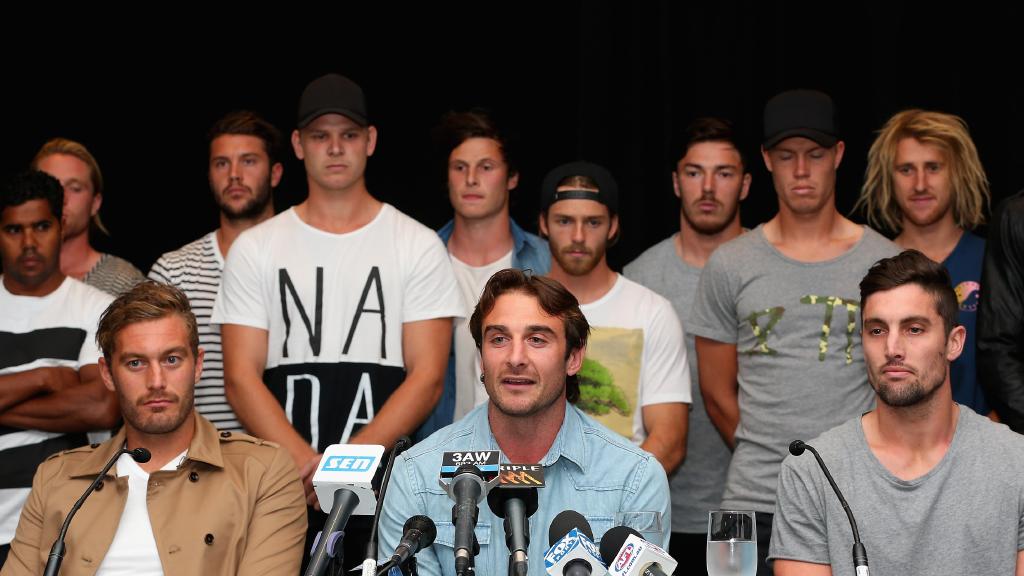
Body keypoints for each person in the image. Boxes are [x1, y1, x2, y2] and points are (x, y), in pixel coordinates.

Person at [212, 73, 462, 567]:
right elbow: (240, 377)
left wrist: (345, 468)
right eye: (321, 136)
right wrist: (306, 466)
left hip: (386, 483)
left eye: (348, 135)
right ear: (300, 146)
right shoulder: (257, 248)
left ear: (369, 142)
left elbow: (429, 376)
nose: (335, 149)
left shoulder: (415, 243)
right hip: (281, 479)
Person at [688, 89, 899, 574]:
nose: (801, 171)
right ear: (766, 160)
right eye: (786, 156)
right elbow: (717, 394)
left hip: (858, 493)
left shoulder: (883, 261)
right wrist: (771, 452)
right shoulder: (730, 264)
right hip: (750, 500)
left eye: (815, 155)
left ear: (839, 156)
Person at [1, 281, 306, 576]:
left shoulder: (262, 472)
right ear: (107, 374)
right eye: (136, 363)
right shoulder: (57, 478)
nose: (156, 381)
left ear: (198, 365)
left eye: (172, 359)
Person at [378, 269, 671, 576]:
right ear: (481, 356)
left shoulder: (634, 478)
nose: (516, 358)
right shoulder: (417, 474)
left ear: (573, 357)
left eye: (537, 339)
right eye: (499, 339)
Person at [770, 250, 1024, 576]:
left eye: (914, 329)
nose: (892, 349)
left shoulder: (1015, 462)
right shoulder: (812, 469)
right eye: (876, 330)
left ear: (954, 342)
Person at [625, 116, 748, 570]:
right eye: (695, 173)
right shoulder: (639, 278)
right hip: (660, 509)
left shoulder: (769, 269)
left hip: (750, 504)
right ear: (676, 183)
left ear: (748, 184)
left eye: (725, 173)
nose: (709, 187)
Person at [540, 160, 690, 474]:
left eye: (593, 223)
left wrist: (605, 495)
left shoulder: (652, 312)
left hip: (620, 505)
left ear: (612, 226)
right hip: (528, 501)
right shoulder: (515, 311)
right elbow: (488, 428)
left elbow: (669, 441)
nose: (578, 236)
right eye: (564, 221)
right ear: (543, 224)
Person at [0, 171, 117, 567]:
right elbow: (78, 403)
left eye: (42, 226)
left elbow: (99, 407)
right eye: (14, 229)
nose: (29, 243)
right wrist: (45, 377)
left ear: (62, 225)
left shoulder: (96, 308)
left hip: (66, 533)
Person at [149, 110, 284, 432]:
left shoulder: (306, 260)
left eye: (248, 161)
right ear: (209, 175)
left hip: (292, 462)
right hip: (200, 463)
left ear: (275, 173)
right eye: (221, 163)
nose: (234, 175)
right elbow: (152, 378)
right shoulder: (173, 271)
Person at [857, 109, 991, 415]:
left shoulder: (990, 260)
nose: (919, 184)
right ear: (889, 177)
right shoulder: (871, 262)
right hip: (891, 442)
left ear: (956, 173)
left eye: (933, 167)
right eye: (906, 169)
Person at [431, 109, 549, 433]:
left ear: (512, 177)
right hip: (439, 455)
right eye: (460, 168)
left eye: (486, 167)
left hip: (529, 454)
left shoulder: (547, 262)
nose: (471, 179)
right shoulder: (421, 258)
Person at [32, 138, 145, 295]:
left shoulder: (123, 283)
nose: (61, 197)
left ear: (95, 203)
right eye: (48, 186)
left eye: (75, 188)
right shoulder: (13, 278)